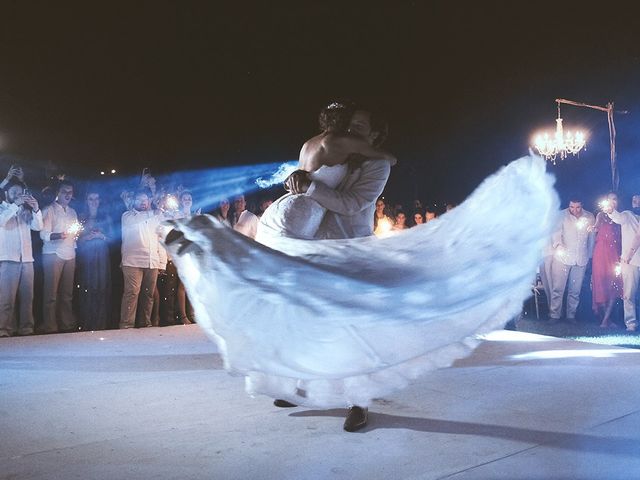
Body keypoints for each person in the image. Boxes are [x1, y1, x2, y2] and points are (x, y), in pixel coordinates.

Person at [163, 107, 558, 434]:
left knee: (357, 326)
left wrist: (308, 188)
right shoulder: (336, 153)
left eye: (359, 129)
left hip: (354, 250)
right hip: (316, 246)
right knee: (304, 316)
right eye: (349, 126)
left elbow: (352, 205)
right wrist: (300, 184)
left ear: (374, 137)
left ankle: (358, 402)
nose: (351, 131)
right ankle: (296, 383)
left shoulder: (376, 168)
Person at [119, 190, 169, 329]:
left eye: (145, 199)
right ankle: (126, 325)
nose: (143, 202)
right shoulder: (127, 216)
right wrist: (155, 212)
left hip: (151, 261)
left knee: (149, 294)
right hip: (132, 261)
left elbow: (161, 239)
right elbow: (139, 220)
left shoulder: (156, 216)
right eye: (140, 199)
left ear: (149, 201)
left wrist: (162, 263)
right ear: (134, 201)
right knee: (132, 293)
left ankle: (145, 323)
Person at [0, 177, 42, 337]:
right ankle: (4, 329)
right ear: (6, 193)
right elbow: (2, 222)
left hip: (27, 259)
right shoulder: (3, 208)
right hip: (8, 258)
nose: (18, 195)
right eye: (14, 192)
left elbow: (38, 227)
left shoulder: (24, 210)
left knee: (27, 298)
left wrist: (36, 208)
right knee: (6, 299)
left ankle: (26, 329)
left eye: (20, 192)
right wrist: (15, 205)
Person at [39, 180, 79, 334]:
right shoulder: (49, 210)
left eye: (70, 192)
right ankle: (50, 326)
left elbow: (74, 234)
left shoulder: (72, 212)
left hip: (70, 254)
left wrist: (74, 243)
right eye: (65, 191)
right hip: (52, 254)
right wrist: (59, 235)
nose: (68, 194)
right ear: (58, 193)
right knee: (51, 294)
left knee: (67, 294)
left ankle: (66, 324)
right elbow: (43, 234)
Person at [548, 198, 595, 323]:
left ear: (582, 205)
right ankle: (554, 315)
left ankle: (571, 316)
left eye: (577, 207)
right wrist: (558, 245)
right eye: (572, 207)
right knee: (558, 288)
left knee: (575, 290)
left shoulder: (589, 216)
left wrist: (589, 256)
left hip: (581, 258)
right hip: (563, 258)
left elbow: (591, 238)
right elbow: (556, 233)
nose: (574, 210)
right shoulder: (561, 216)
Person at [76, 189, 113, 331]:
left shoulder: (106, 217)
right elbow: (75, 239)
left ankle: (101, 324)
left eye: (96, 198)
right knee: (88, 287)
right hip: (87, 257)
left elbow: (112, 239)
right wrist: (87, 237)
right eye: (91, 198)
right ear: (86, 200)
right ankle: (87, 323)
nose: (94, 201)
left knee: (102, 288)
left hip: (102, 256)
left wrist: (101, 236)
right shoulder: (81, 217)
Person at [605, 195, 640, 332]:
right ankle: (631, 324)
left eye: (639, 201)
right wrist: (610, 211)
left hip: (631, 259)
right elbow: (618, 217)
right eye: (634, 201)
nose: (636, 203)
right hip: (630, 262)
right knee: (628, 295)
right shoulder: (627, 215)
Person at [590, 193, 622, 328]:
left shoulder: (621, 217)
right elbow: (596, 226)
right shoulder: (601, 216)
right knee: (600, 284)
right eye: (609, 199)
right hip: (600, 253)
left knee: (613, 284)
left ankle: (606, 319)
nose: (612, 201)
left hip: (614, 253)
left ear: (617, 202)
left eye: (614, 199)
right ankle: (605, 319)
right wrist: (592, 228)